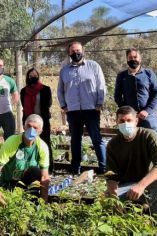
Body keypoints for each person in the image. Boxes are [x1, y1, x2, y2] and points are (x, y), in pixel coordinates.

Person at [106, 106, 157, 216]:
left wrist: (141, 185)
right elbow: (111, 176)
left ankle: (156, 218)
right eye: (122, 121)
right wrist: (114, 199)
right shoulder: (113, 144)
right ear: (116, 122)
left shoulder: (148, 135)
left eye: (129, 120)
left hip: (148, 183)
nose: (125, 124)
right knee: (107, 201)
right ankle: (126, 216)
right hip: (126, 187)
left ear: (136, 121)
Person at [57, 41, 107, 175]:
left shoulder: (94, 66)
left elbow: (101, 86)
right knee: (75, 140)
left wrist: (99, 104)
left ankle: (104, 168)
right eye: (73, 51)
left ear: (83, 51)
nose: (76, 53)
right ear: (69, 53)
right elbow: (60, 90)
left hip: (91, 109)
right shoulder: (64, 71)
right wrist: (64, 106)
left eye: (78, 50)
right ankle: (75, 169)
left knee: (97, 139)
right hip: (73, 111)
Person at [0, 114, 50, 204]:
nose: (31, 130)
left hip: (28, 183)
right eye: (29, 126)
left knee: (36, 171)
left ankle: (32, 200)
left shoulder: (42, 146)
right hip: (10, 183)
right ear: (24, 127)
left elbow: (45, 176)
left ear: (40, 131)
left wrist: (44, 201)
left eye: (35, 128)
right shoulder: (12, 142)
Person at [114, 48, 157, 134]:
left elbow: (156, 93)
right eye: (130, 57)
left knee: (153, 142)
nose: (133, 59)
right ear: (127, 59)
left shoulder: (149, 74)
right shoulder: (121, 76)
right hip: (130, 119)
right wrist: (128, 112)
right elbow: (117, 96)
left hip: (148, 117)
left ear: (140, 58)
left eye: (135, 57)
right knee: (131, 143)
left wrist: (147, 110)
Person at [20, 68, 53, 173]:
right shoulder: (23, 91)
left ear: (38, 76)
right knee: (29, 143)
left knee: (45, 143)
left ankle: (49, 167)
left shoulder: (45, 89)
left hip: (42, 121)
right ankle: (29, 167)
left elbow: (49, 103)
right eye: (30, 75)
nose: (33, 77)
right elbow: (23, 104)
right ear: (27, 77)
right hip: (29, 121)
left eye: (35, 75)